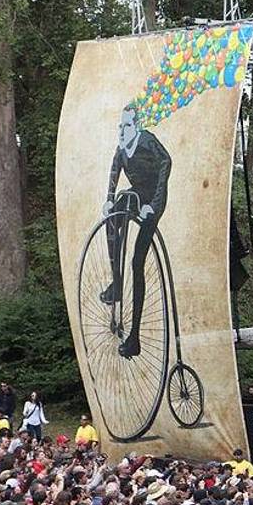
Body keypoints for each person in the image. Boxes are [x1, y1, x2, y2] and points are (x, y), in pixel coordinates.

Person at [101, 104, 173, 358]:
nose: (122, 131)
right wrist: (109, 198)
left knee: (136, 262)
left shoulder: (147, 142)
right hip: (135, 195)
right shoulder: (122, 150)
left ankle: (134, 339)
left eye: (127, 126)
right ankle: (117, 284)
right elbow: (113, 170)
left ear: (137, 127)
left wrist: (153, 205)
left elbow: (167, 161)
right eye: (120, 126)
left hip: (153, 199)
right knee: (112, 218)